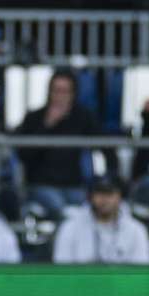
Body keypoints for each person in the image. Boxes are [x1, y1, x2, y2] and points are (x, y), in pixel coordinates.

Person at [17, 69, 115, 219]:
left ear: (73, 94)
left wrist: (110, 179)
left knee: (86, 211)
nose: (60, 96)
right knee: (62, 210)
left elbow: (106, 146)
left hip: (75, 186)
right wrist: (47, 125)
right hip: (41, 185)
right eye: (56, 90)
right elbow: (23, 155)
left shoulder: (83, 117)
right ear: (49, 92)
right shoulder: (35, 117)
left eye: (65, 91)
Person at [52, 175, 149, 264]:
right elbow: (62, 270)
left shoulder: (136, 230)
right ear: (90, 197)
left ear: (120, 196)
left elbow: (139, 274)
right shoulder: (70, 227)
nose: (104, 199)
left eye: (110, 193)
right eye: (99, 193)